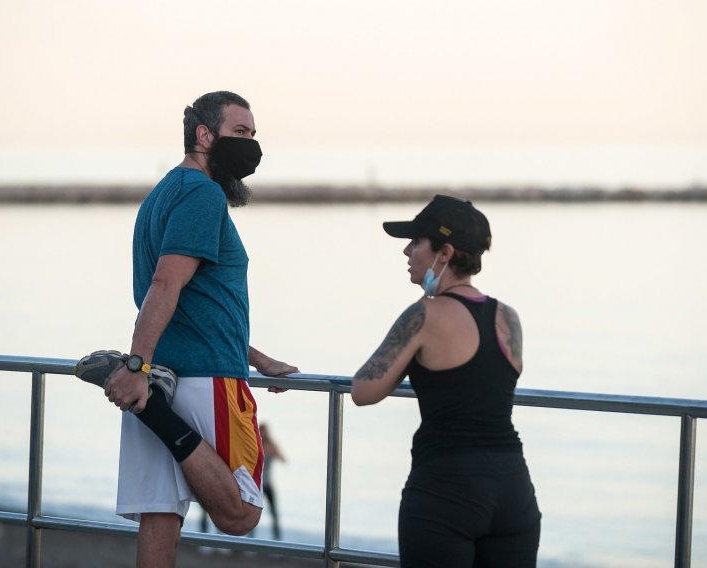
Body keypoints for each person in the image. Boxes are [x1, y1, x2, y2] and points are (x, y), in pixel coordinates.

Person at [75, 90, 298, 568]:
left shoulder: (163, 193)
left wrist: (257, 358)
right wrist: (135, 368)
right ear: (204, 135)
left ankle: (152, 404)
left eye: (254, 135)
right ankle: (154, 410)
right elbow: (166, 282)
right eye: (240, 133)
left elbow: (195, 301)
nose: (251, 145)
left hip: (164, 372)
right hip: (200, 382)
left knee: (160, 522)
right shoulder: (202, 194)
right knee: (241, 513)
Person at [351, 195, 541, 567]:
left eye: (416, 242)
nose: (407, 251)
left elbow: (363, 391)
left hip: (446, 489)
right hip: (513, 489)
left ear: (445, 252)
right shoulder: (509, 317)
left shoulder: (424, 314)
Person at [258, 423, 286, 540]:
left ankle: (277, 539)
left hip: (268, 484)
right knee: (253, 513)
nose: (264, 434)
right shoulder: (256, 444)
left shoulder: (271, 446)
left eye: (265, 431)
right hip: (258, 485)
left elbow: (283, 459)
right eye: (262, 431)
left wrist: (273, 450)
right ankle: (250, 540)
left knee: (274, 513)